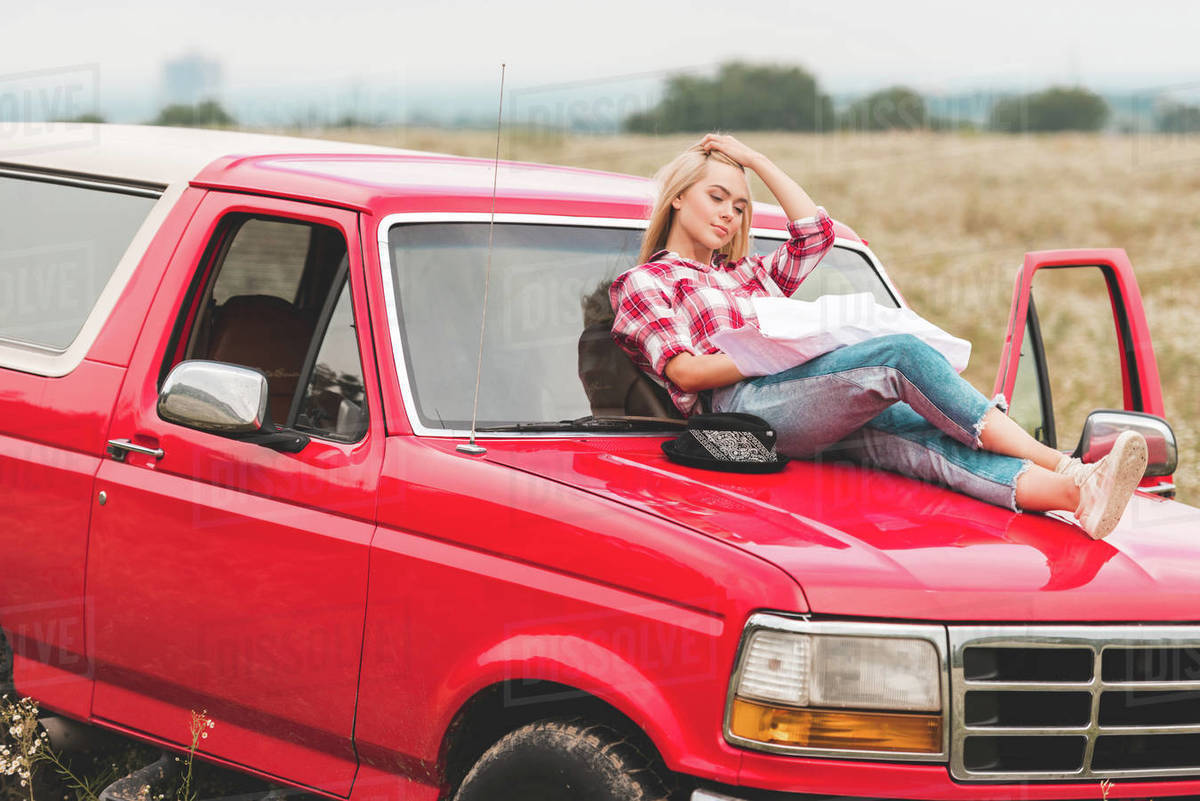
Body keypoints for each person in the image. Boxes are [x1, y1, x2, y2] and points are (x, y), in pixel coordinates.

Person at [609, 133, 1148, 540]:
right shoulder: (646, 282)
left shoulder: (746, 274)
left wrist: (755, 161)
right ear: (678, 198)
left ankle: (1078, 494)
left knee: (927, 441)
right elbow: (683, 371)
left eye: (739, 205)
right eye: (716, 197)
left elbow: (815, 234)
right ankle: (1067, 463)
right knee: (898, 356)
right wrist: (786, 350)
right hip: (741, 412)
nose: (728, 214)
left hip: (810, 403)